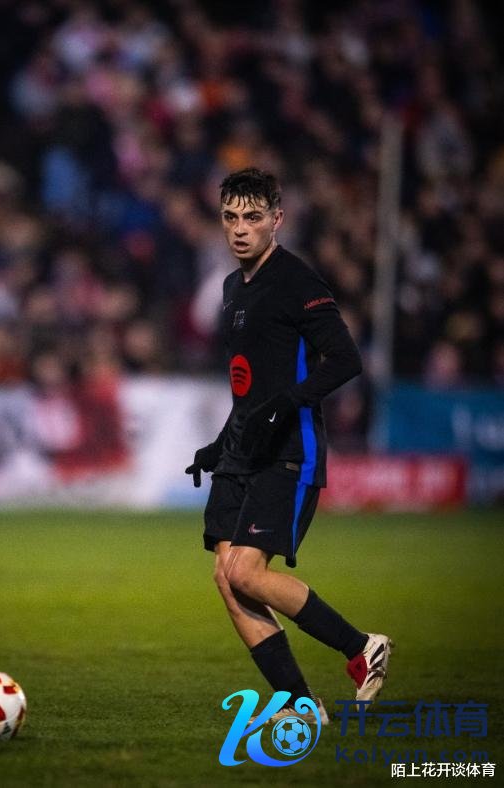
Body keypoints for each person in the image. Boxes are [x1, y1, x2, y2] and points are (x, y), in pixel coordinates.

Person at [185, 168, 392, 725]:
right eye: (230, 217)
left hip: (288, 450)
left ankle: (362, 646)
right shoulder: (232, 288)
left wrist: (289, 403)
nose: (239, 229)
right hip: (241, 451)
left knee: (246, 573)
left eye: (252, 217)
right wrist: (218, 445)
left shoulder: (298, 281)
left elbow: (346, 359)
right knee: (227, 579)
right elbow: (249, 388)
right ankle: (303, 706)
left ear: (277, 219)